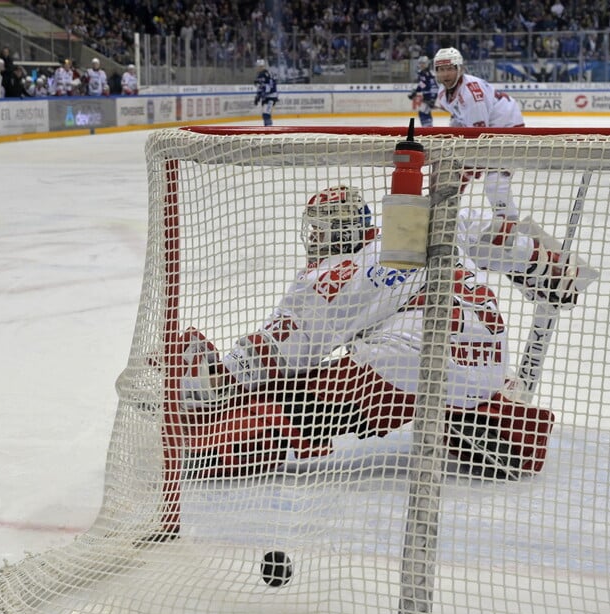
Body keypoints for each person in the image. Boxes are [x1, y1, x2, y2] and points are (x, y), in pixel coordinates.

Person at [177, 186, 586, 479]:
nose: (314, 239)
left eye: (319, 230)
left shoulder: (334, 275)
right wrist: (548, 267)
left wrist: (220, 378)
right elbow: (500, 234)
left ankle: (211, 449)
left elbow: (281, 352)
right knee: (392, 353)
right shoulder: (420, 223)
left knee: (302, 401)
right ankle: (485, 417)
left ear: (336, 233)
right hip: (490, 366)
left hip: (405, 366)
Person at [433, 47, 525, 216]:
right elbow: (458, 119)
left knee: (495, 181)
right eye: (441, 70)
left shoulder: (471, 95)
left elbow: (479, 138)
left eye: (450, 69)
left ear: (460, 69)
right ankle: (446, 203)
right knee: (457, 166)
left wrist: (466, 169)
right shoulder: (442, 93)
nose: (445, 74)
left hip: (508, 130)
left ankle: (508, 224)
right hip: (488, 130)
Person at [407, 56, 438, 127]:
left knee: (423, 112)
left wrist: (433, 99)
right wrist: (415, 92)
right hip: (426, 97)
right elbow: (422, 85)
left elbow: (434, 87)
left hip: (430, 97)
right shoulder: (421, 73)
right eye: (420, 63)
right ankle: (428, 127)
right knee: (424, 112)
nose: (421, 65)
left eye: (423, 63)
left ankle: (428, 129)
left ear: (427, 64)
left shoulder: (430, 74)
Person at [253, 58, 278, 126]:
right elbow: (260, 87)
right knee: (265, 114)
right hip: (266, 98)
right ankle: (267, 127)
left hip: (271, 97)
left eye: (259, 66)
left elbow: (270, 87)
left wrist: (261, 94)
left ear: (262, 66)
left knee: (266, 114)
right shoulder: (259, 75)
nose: (257, 68)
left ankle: (268, 129)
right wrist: (258, 96)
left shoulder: (267, 74)